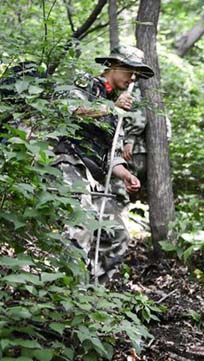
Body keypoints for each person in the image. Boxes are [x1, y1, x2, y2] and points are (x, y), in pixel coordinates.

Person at [53, 46, 154, 281]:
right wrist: (110, 108)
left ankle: (93, 291)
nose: (132, 78)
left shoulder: (116, 105)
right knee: (80, 225)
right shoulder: (87, 84)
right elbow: (69, 109)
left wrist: (126, 175)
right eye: (129, 71)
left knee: (118, 236)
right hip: (71, 163)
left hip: (95, 177)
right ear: (114, 66)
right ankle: (69, 291)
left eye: (136, 74)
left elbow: (113, 155)